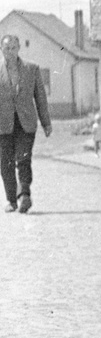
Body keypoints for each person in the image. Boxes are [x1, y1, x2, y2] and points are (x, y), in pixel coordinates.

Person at [0, 33, 52, 214]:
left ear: (19, 48)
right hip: (2, 124)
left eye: (14, 47)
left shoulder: (32, 69)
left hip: (26, 123)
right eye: (7, 48)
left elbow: (40, 98)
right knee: (5, 163)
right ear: (1, 49)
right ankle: (12, 200)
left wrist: (46, 122)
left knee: (23, 158)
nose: (10, 52)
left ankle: (25, 196)